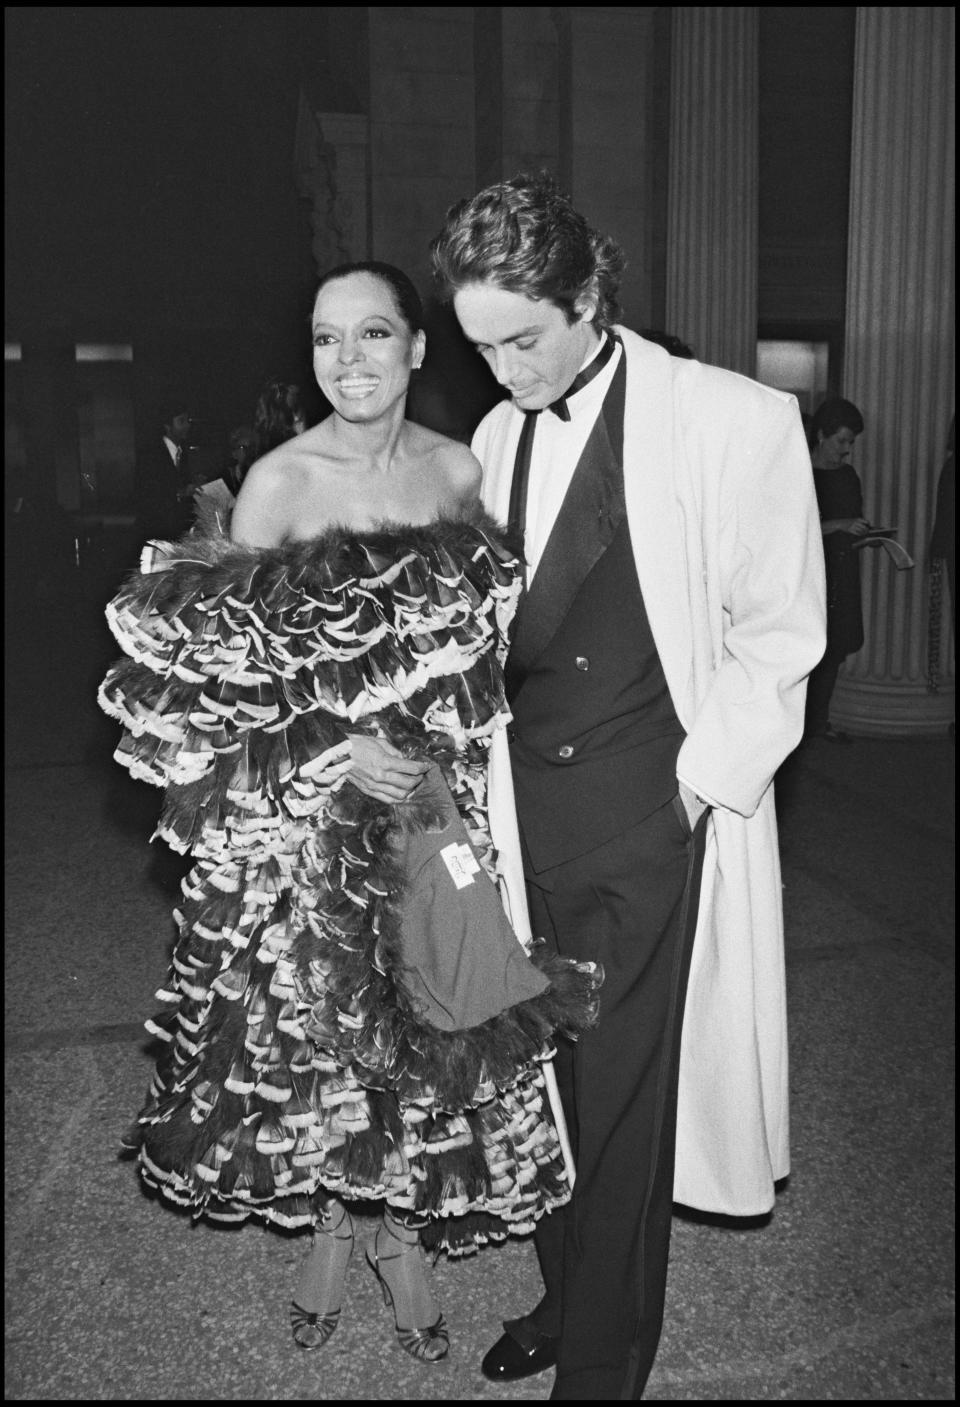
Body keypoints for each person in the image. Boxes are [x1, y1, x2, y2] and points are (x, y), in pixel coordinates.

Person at [98, 260, 599, 1366]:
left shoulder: (460, 470)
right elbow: (224, 680)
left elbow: (480, 652)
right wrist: (337, 745)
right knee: (317, 1029)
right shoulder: (280, 484)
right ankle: (335, 1225)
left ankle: (403, 1231)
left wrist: (428, 756)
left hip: (429, 801)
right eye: (327, 340)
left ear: (420, 350)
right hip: (310, 807)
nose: (349, 361)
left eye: (374, 335)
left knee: (431, 1010)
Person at [429, 172, 827, 1400]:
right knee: (540, 1080)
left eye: (524, 339)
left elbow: (781, 638)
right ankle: (564, 1295)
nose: (504, 372)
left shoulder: (734, 420)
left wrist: (699, 791)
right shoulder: (497, 436)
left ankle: (601, 1364)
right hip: (516, 819)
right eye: (482, 346)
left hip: (649, 820)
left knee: (619, 1097)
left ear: (589, 294)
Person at [804, 397, 868, 744]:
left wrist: (866, 536)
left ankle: (818, 723)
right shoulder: (800, 471)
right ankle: (802, 726)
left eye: (850, 443)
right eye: (841, 441)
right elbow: (794, 527)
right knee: (811, 650)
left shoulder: (847, 476)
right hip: (811, 574)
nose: (846, 450)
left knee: (835, 650)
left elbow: (850, 524)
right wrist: (841, 524)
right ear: (821, 435)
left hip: (842, 572)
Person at [135, 402, 199, 542]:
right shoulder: (151, 455)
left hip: (178, 531)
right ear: (167, 427)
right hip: (156, 532)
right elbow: (148, 494)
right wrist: (181, 492)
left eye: (187, 421)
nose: (187, 426)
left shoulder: (183, 454)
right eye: (181, 421)